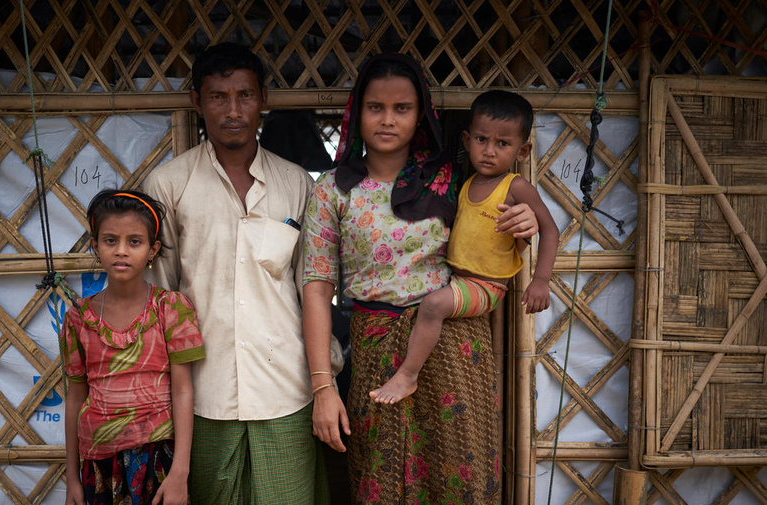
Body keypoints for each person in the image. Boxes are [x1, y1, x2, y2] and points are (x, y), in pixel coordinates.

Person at [302, 54, 539, 504]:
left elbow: (494, 246)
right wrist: (322, 386)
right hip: (373, 352)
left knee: (459, 479)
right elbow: (316, 290)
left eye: (402, 108)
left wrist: (525, 223)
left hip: (453, 346)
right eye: (376, 107)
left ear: (421, 115)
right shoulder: (333, 189)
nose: (388, 120)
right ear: (357, 113)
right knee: (380, 481)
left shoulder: (456, 181)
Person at [144, 42, 331, 504]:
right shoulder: (169, 184)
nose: (233, 110)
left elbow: (314, 289)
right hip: (202, 395)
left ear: (262, 98)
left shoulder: (297, 184)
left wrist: (325, 380)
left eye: (244, 95)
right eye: (218, 97)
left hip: (286, 389)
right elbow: (159, 295)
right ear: (196, 102)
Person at [370, 89, 559, 404]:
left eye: (503, 143)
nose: (489, 151)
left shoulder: (516, 187)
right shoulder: (467, 184)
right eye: (482, 140)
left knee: (432, 306)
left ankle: (407, 377)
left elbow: (550, 230)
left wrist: (541, 281)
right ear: (467, 140)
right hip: (458, 279)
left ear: (522, 151)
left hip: (486, 286)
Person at [62, 189, 204, 505]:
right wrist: (72, 478)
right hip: (98, 467)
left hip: (157, 462)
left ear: (153, 250)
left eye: (134, 242)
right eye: (110, 240)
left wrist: (179, 471)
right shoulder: (78, 318)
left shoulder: (172, 309)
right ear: (95, 246)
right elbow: (74, 397)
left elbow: (182, 391)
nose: (121, 251)